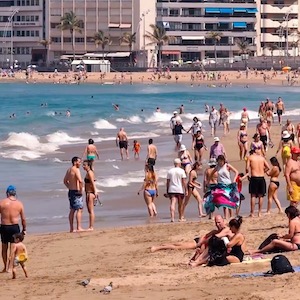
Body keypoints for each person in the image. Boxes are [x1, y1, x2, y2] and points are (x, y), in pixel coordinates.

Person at [150, 214, 230, 253]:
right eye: (216, 223)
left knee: (179, 245)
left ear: (223, 221)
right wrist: (199, 243)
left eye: (219, 222)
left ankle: (160, 246)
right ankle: (159, 247)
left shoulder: (226, 230)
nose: (217, 224)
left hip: (201, 243)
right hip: (198, 242)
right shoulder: (215, 231)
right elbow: (205, 236)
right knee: (179, 246)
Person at [0, 185, 26, 272]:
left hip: (4, 227)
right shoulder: (19, 204)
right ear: (15, 193)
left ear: (7, 193)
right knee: (13, 248)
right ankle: (10, 268)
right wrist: (24, 229)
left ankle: (5, 267)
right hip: (14, 227)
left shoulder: (2, 202)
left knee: (4, 248)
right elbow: (23, 219)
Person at [208, 155, 239, 219]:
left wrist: (234, 180)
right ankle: (226, 216)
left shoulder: (227, 165)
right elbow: (211, 174)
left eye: (221, 161)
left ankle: (231, 216)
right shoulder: (217, 167)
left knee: (230, 201)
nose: (220, 162)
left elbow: (236, 172)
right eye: (219, 161)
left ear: (223, 160)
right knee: (224, 202)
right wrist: (211, 181)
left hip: (229, 184)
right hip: (221, 185)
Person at [246, 147, 270, 217]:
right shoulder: (262, 158)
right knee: (261, 195)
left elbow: (247, 168)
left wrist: (248, 175)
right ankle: (259, 212)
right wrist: (263, 171)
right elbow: (268, 167)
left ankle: (252, 213)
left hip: (254, 177)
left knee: (253, 195)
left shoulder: (250, 158)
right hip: (261, 177)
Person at [63, 156, 84, 232]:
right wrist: (81, 190)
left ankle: (71, 228)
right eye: (79, 162)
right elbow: (80, 180)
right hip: (76, 191)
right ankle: (79, 227)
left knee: (72, 209)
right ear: (75, 162)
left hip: (71, 191)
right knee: (79, 209)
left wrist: (69, 187)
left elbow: (65, 181)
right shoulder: (76, 170)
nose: (80, 163)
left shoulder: (69, 170)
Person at [166, 158, 187, 222]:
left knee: (173, 203)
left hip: (171, 189)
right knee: (180, 204)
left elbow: (168, 182)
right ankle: (180, 217)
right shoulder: (181, 171)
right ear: (179, 163)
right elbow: (184, 182)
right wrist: (186, 189)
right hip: (179, 189)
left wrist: (167, 190)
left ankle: (172, 218)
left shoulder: (170, 171)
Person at [82, 160, 97, 231]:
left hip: (90, 193)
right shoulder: (88, 172)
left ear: (88, 166)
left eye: (84, 165)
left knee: (91, 211)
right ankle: (90, 226)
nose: (83, 166)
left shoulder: (90, 173)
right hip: (88, 192)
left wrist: (95, 191)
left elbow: (93, 183)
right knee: (89, 210)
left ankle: (91, 227)